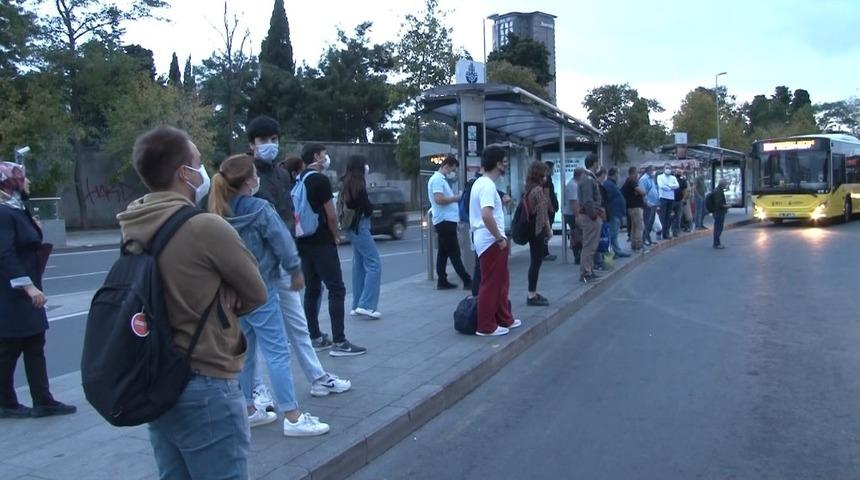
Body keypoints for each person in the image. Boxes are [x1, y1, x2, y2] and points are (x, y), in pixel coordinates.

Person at [117, 126, 268, 479]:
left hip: (158, 378)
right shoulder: (204, 227)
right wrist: (226, 299)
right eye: (198, 162)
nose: (204, 170)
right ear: (183, 173)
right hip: (206, 379)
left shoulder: (133, 224)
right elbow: (256, 291)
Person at [209, 153, 330, 437]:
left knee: (246, 353)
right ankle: (293, 416)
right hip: (261, 289)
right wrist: (295, 270)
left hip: (234, 295)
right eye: (254, 174)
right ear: (249, 180)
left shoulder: (218, 211)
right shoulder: (260, 208)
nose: (257, 178)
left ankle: (249, 409)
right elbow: (282, 242)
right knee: (277, 352)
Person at [245, 120, 351, 408]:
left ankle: (317, 377)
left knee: (297, 325)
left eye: (273, 138)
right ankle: (254, 391)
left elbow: (286, 214)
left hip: (282, 261)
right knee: (251, 334)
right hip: (256, 266)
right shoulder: (245, 175)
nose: (270, 144)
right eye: (263, 139)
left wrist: (290, 256)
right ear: (251, 144)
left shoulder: (281, 175)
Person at [0, 162, 76, 419]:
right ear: (12, 183)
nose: (29, 182)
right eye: (24, 178)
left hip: (23, 289)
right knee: (10, 346)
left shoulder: (15, 208)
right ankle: (6, 401)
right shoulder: (3, 212)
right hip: (13, 293)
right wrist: (28, 286)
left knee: (33, 342)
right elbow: (5, 253)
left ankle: (42, 400)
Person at [295, 144, 366, 356]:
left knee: (312, 288)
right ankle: (340, 341)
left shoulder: (299, 179)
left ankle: (315, 336)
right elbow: (331, 214)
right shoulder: (320, 180)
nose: (327, 158)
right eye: (324, 154)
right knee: (336, 289)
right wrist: (335, 235)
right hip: (321, 240)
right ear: (316, 156)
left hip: (303, 241)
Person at [470, 145, 522, 336]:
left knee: (500, 282)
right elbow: (486, 215)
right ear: (497, 164)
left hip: (488, 239)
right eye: (504, 162)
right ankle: (486, 325)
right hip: (490, 240)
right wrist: (499, 238)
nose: (506, 166)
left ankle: (503, 318)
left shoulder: (481, 183)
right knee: (491, 283)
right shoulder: (487, 185)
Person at [341, 155, 382, 318]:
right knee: (374, 262)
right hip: (360, 225)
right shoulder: (358, 184)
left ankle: (357, 304)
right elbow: (366, 206)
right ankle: (367, 305)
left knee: (358, 263)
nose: (367, 167)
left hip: (351, 227)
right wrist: (371, 208)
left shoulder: (345, 182)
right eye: (365, 164)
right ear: (360, 166)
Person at [428, 155, 471, 290]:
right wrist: (455, 198)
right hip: (445, 221)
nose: (453, 172)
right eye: (453, 169)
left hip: (445, 220)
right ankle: (467, 280)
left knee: (443, 252)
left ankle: (442, 280)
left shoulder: (440, 179)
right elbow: (439, 199)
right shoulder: (437, 180)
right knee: (454, 252)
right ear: (447, 166)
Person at [524, 161, 552, 306]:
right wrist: (548, 230)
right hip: (537, 231)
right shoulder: (538, 190)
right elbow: (543, 215)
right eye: (545, 173)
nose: (546, 176)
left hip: (530, 230)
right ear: (540, 174)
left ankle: (532, 292)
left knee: (534, 262)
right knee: (536, 263)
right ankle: (531, 294)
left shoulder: (528, 188)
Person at [577, 154, 603, 283]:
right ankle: (586, 272)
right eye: (597, 163)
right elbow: (588, 200)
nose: (598, 165)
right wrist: (593, 215)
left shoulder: (588, 177)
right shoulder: (587, 178)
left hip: (590, 215)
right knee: (589, 245)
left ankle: (589, 270)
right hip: (589, 217)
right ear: (593, 163)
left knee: (591, 245)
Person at [603, 167, 630, 258]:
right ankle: (612, 252)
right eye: (617, 174)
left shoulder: (612, 184)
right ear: (614, 174)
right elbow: (607, 199)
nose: (618, 176)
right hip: (613, 213)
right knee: (612, 234)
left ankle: (616, 251)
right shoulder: (609, 184)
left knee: (614, 233)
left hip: (616, 213)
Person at [621, 166, 645, 252]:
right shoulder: (631, 181)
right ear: (633, 173)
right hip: (635, 207)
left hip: (632, 207)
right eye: (636, 173)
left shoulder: (628, 182)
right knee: (639, 226)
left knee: (634, 227)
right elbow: (642, 192)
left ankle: (634, 244)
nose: (637, 175)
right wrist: (641, 192)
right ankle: (638, 244)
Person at [563, 168, 583, 264]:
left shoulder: (574, 184)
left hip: (573, 213)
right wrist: (578, 216)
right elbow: (573, 203)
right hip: (572, 214)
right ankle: (577, 256)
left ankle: (578, 255)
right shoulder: (573, 185)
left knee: (577, 235)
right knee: (577, 235)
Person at [657, 163, 679, 240]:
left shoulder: (673, 177)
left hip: (671, 198)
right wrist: (671, 187)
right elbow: (661, 186)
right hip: (663, 197)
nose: (668, 169)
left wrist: (668, 186)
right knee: (662, 216)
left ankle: (666, 233)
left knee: (669, 216)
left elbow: (677, 185)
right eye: (666, 168)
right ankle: (660, 232)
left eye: (669, 168)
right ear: (663, 169)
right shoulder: (660, 177)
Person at [638, 165, 659, 246]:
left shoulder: (651, 179)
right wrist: (647, 202)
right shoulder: (644, 179)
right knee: (646, 222)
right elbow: (643, 193)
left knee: (651, 222)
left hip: (653, 204)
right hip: (648, 204)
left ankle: (648, 238)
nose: (653, 172)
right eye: (652, 170)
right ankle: (644, 239)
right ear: (648, 170)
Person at [543, 160, 559, 261]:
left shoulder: (547, 179)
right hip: (548, 210)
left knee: (546, 231)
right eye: (553, 168)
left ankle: (544, 252)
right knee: (547, 231)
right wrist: (551, 208)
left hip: (548, 209)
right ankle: (544, 252)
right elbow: (546, 195)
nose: (554, 170)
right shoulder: (547, 179)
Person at [713, 177, 729, 249]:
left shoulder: (718, 190)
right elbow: (719, 204)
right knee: (718, 228)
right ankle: (716, 243)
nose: (726, 185)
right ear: (723, 184)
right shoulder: (718, 191)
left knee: (718, 227)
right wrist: (727, 206)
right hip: (719, 212)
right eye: (725, 184)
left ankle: (717, 243)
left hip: (718, 212)